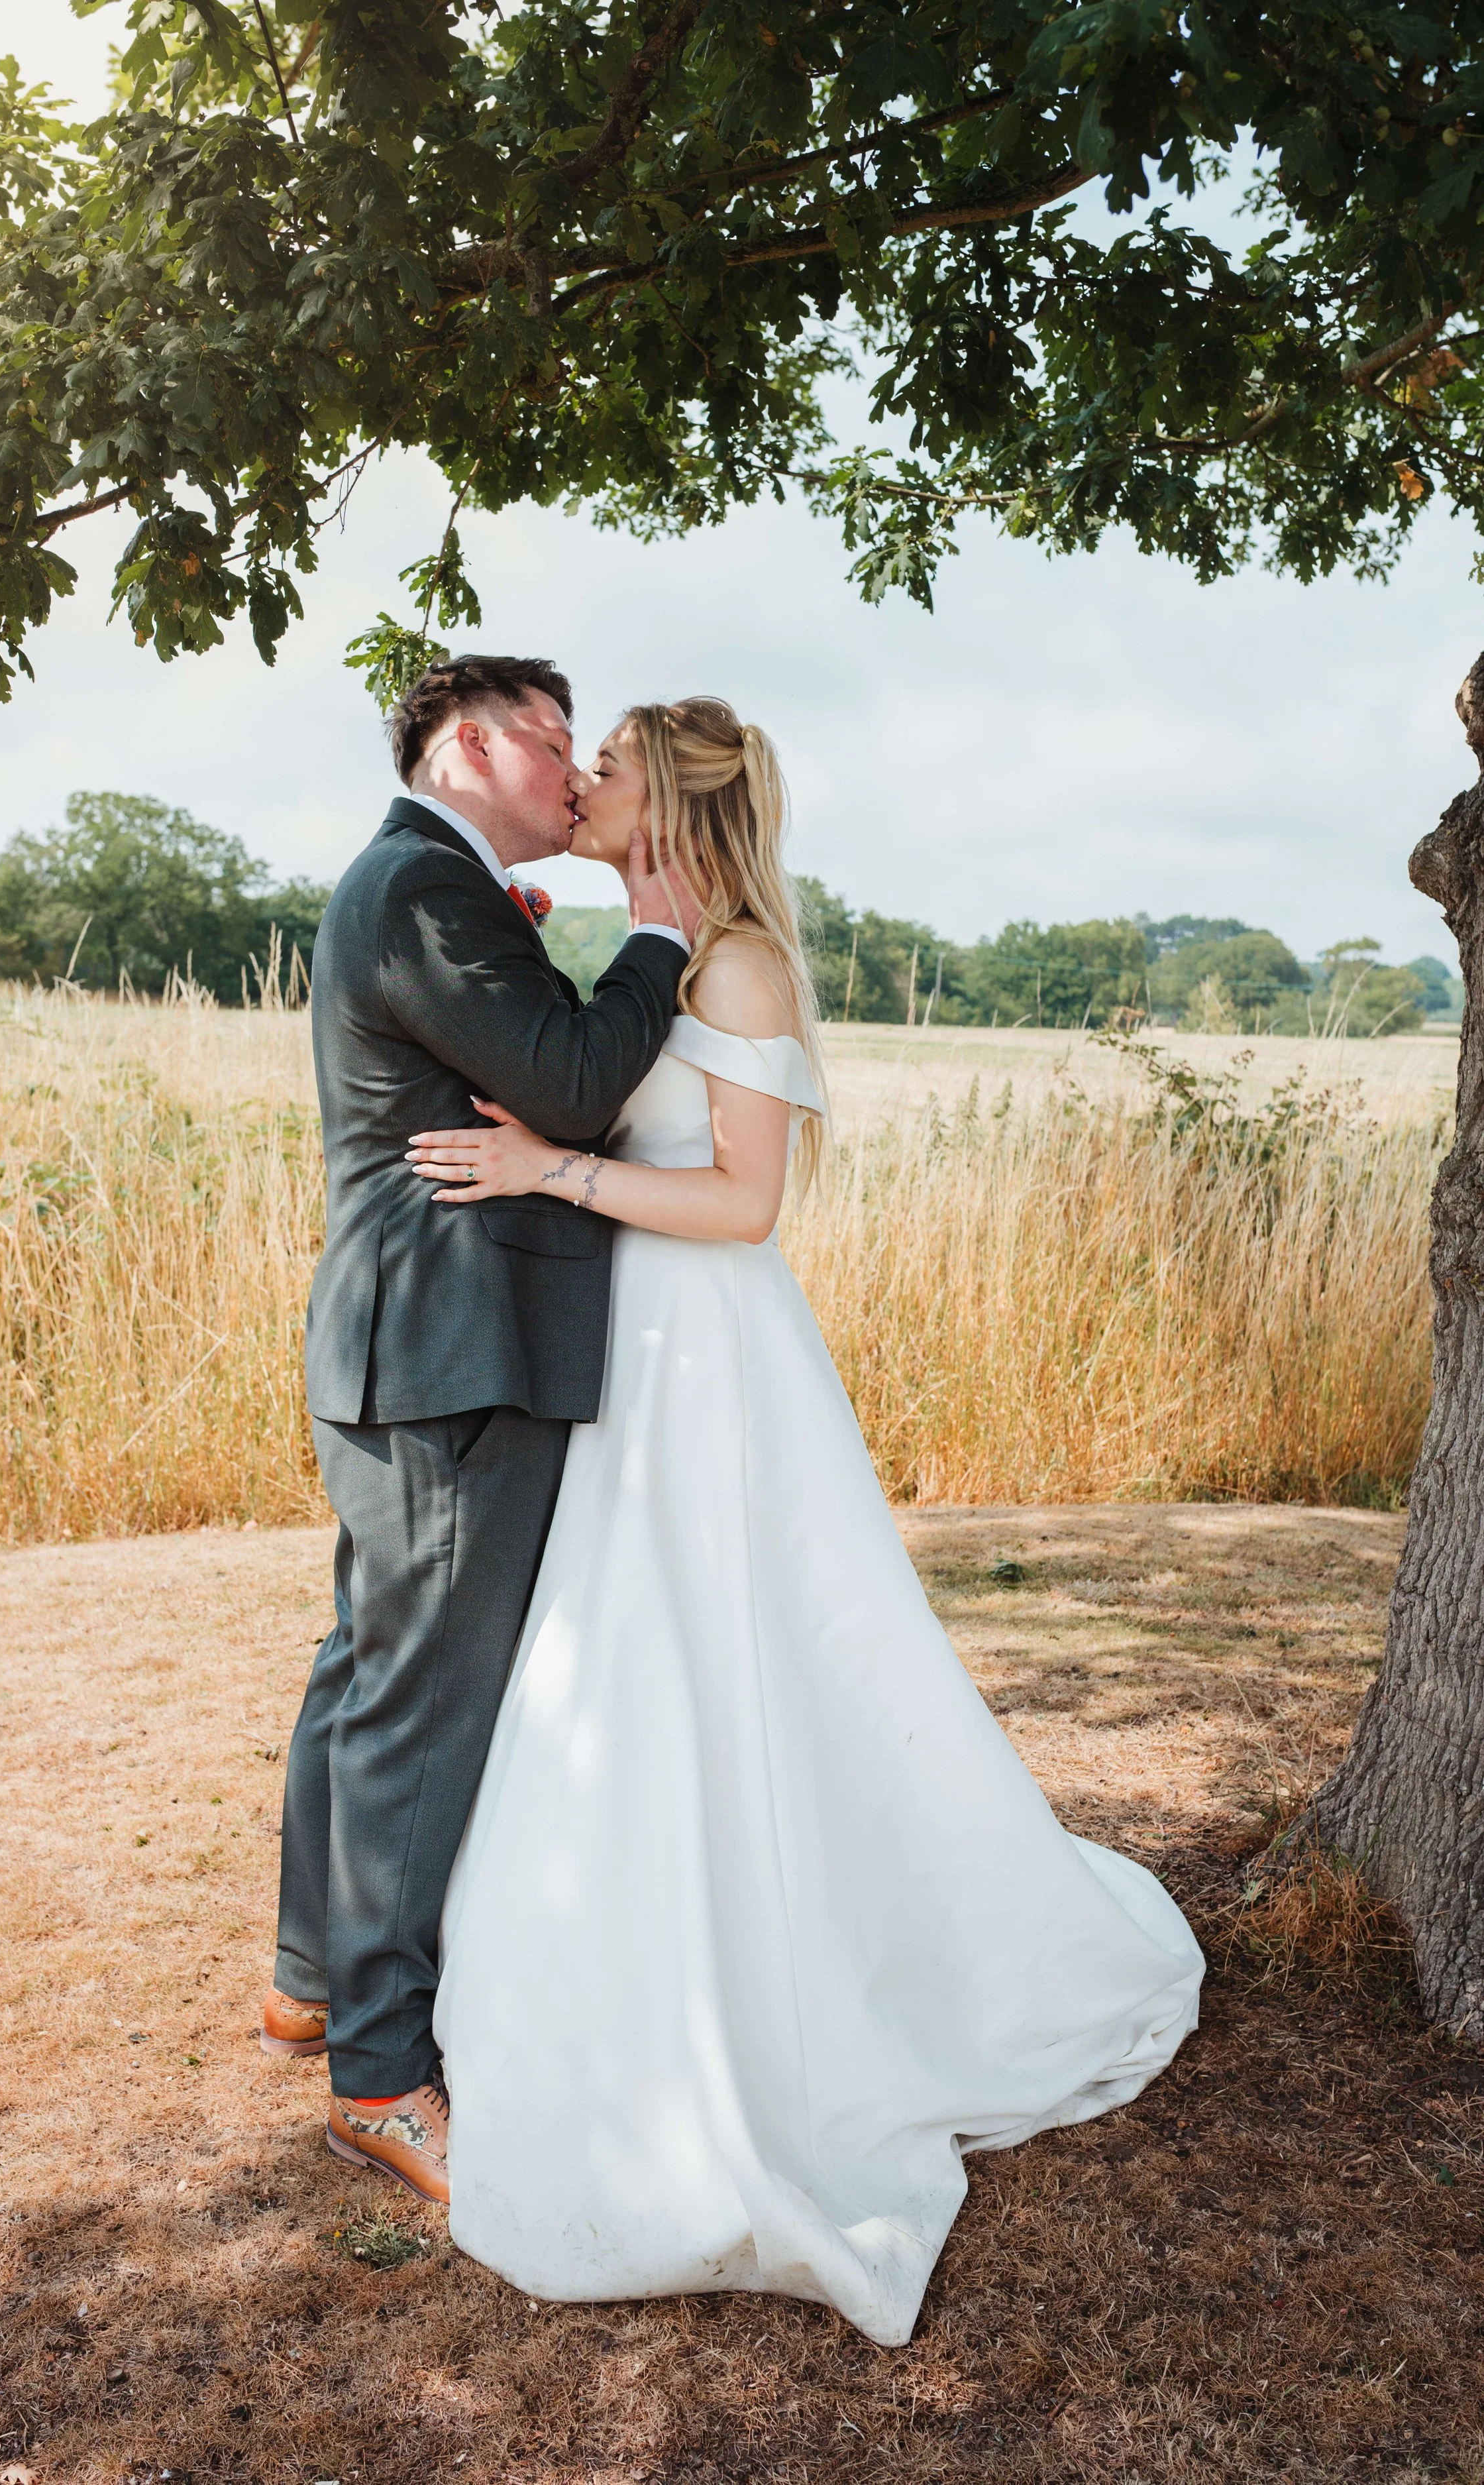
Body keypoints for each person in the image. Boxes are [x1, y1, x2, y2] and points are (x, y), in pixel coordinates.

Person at [405, 696, 1204, 2347]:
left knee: (739, 1657)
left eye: (606, 767)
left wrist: (550, 1176)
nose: (581, 783)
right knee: (624, 1671)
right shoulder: (654, 957)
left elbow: (744, 1203)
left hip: (711, 1360)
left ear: (672, 802)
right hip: (637, 1356)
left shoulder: (741, 965)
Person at [263, 655, 698, 2205]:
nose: (574, 776)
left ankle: (311, 1969)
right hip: (452, 1347)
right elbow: (577, 1084)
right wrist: (656, 933)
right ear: (468, 745)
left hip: (419, 1344)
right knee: (421, 1704)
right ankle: (379, 2071)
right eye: (553, 743)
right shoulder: (422, 893)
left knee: (370, 1668)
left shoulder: (428, 886)